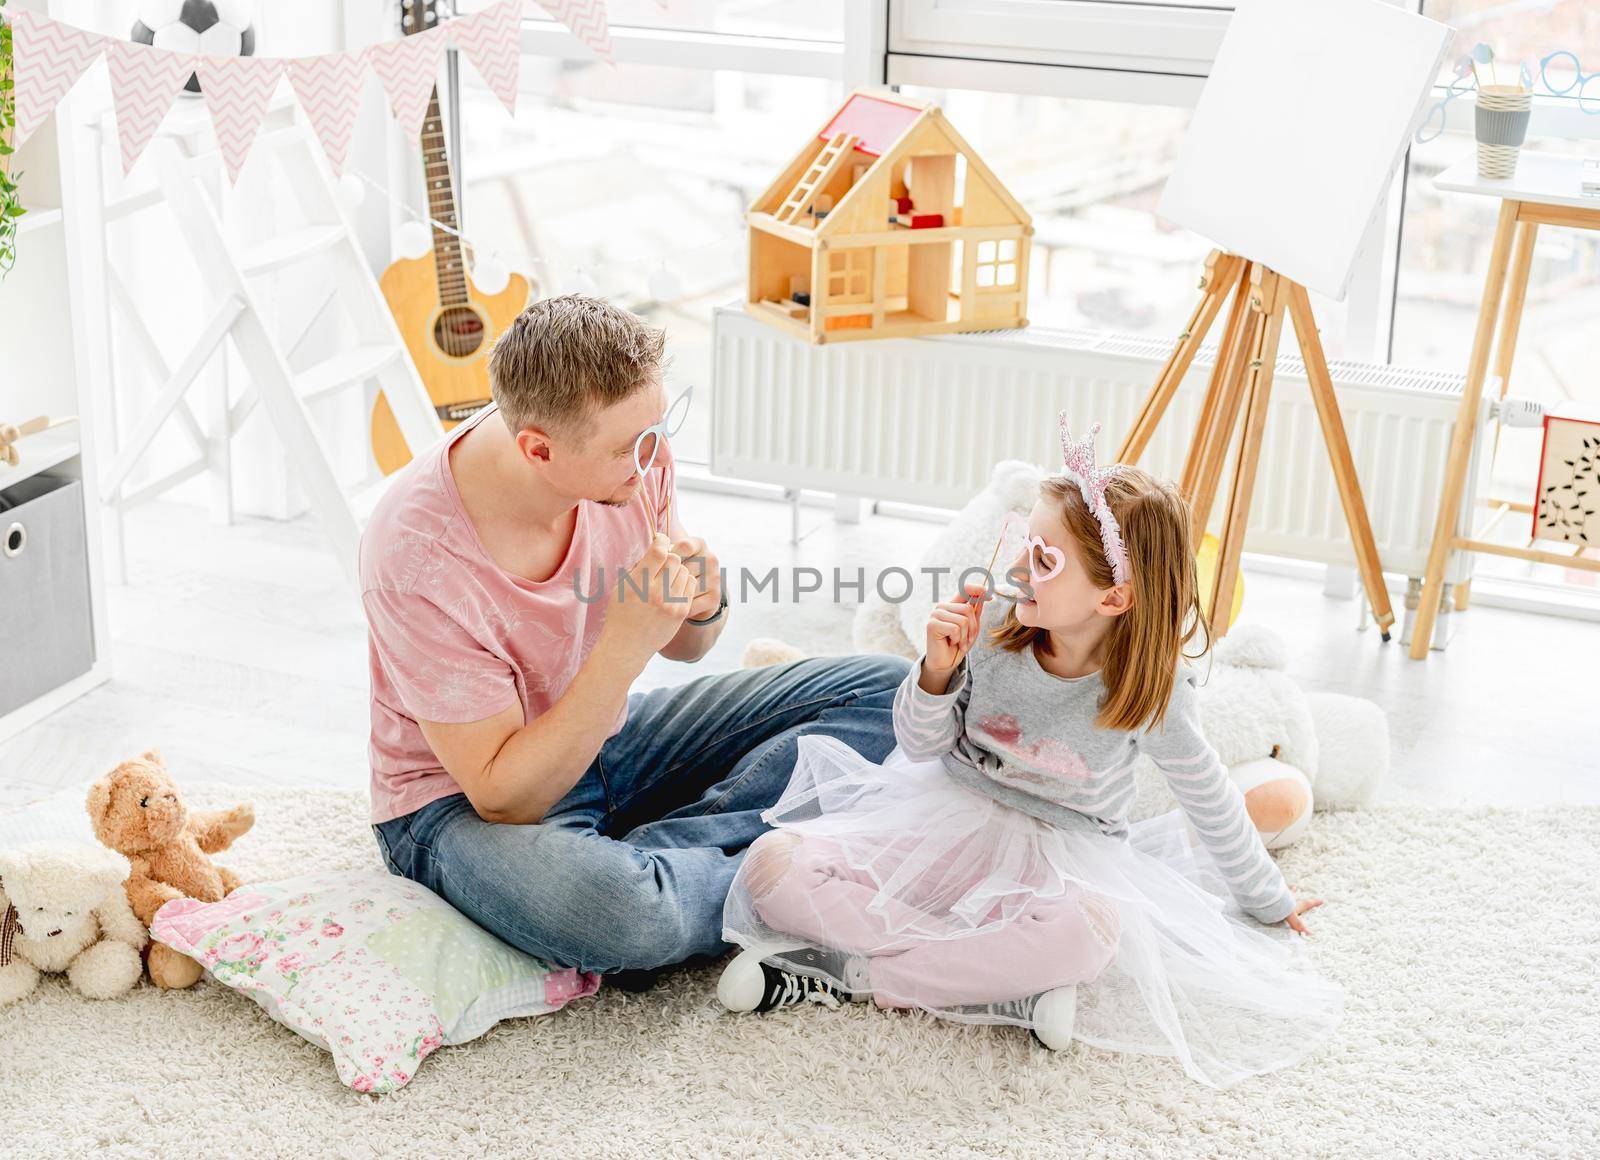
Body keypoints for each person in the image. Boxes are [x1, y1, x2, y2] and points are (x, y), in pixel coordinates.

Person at [717, 418, 1344, 1088]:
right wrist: (933, 673)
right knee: (770, 868)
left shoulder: (1154, 692)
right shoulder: (990, 630)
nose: (1018, 569)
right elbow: (919, 745)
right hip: (941, 822)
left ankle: (863, 974)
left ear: (1114, 596)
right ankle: (980, 982)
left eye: (1044, 561)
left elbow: (1209, 796)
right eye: (1024, 545)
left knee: (1090, 933)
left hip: (1059, 858)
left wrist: (1268, 898)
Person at [360, 294, 909, 987]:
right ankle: (761, 863)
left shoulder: (633, 455)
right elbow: (506, 797)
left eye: (658, 433)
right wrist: (624, 643)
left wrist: (705, 606)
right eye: (629, 449)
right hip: (459, 803)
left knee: (890, 691)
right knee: (622, 915)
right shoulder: (418, 554)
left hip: (607, 739)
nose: (651, 462)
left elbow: (687, 647)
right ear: (538, 449)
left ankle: (683, 861)